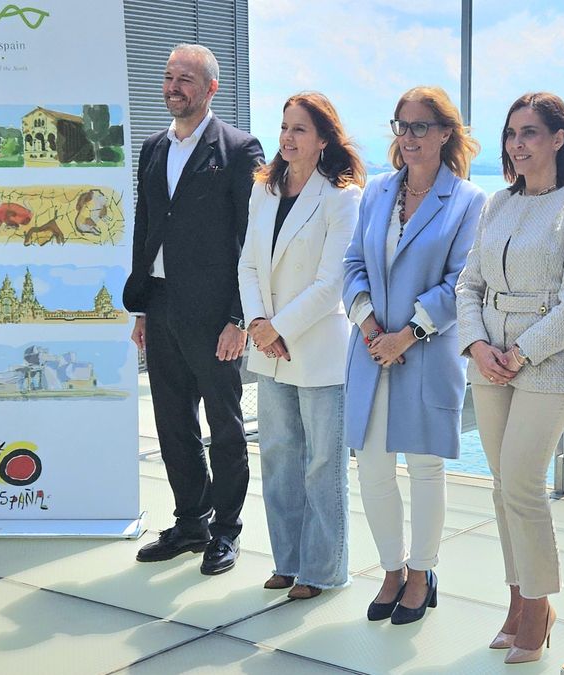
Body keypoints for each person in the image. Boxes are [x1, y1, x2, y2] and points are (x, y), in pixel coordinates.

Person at [456, 92, 564, 665]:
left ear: (558, 139)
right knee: (501, 488)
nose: (518, 144)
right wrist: (476, 344)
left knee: (520, 484)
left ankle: (540, 606)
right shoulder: (497, 203)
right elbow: (469, 283)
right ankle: (518, 601)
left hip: (544, 365)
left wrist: (518, 352)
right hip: (487, 360)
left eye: (530, 133)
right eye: (512, 134)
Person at [342, 85, 485, 625]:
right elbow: (352, 262)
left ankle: (422, 572)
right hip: (371, 349)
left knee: (425, 469)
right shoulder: (376, 192)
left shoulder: (469, 201)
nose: (409, 137)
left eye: (421, 126)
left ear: (446, 132)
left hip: (424, 353)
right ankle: (391, 570)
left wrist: (407, 334)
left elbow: (462, 282)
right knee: (372, 469)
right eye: (402, 126)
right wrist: (371, 325)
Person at [123, 43, 264, 575]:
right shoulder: (153, 147)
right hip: (159, 306)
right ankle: (190, 522)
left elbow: (250, 241)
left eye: (185, 79)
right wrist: (140, 307)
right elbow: (146, 228)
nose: (173, 87)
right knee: (172, 421)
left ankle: (225, 530)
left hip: (214, 315)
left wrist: (238, 317)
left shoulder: (239, 149)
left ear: (210, 88)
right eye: (168, 76)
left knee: (224, 426)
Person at [237, 92, 364, 600]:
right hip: (270, 347)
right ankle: (287, 561)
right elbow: (247, 263)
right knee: (279, 458)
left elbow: (332, 283)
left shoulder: (342, 195)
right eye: (284, 127)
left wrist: (277, 329)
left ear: (324, 139)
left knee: (322, 464)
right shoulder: (263, 189)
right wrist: (258, 324)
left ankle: (323, 569)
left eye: (300, 130)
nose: (287, 138)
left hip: (316, 349)